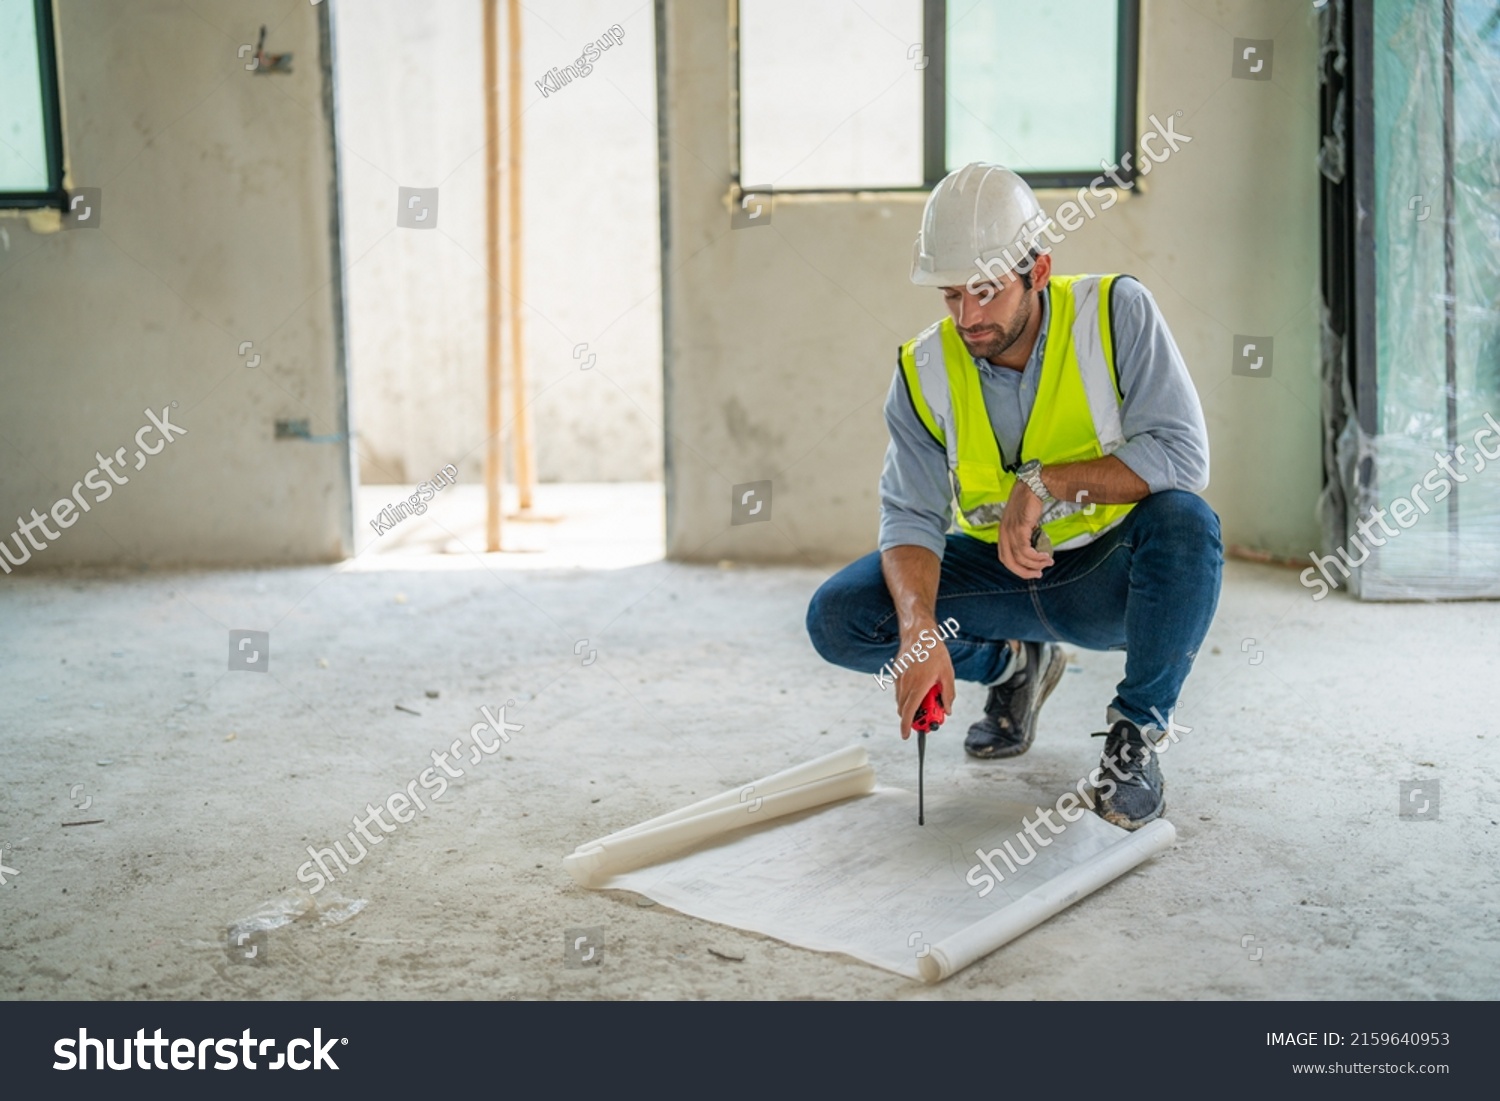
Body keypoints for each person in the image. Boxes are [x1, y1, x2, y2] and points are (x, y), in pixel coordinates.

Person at [805, 163, 1222, 829]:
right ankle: (1010, 667)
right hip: (996, 581)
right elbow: (910, 514)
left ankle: (1134, 738)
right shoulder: (922, 370)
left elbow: (1182, 454)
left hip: (1106, 582)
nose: (968, 316)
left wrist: (1046, 482)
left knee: (1186, 522)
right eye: (950, 296)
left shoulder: (1115, 313)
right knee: (840, 615)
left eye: (986, 291)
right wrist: (918, 633)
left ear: (1038, 270)